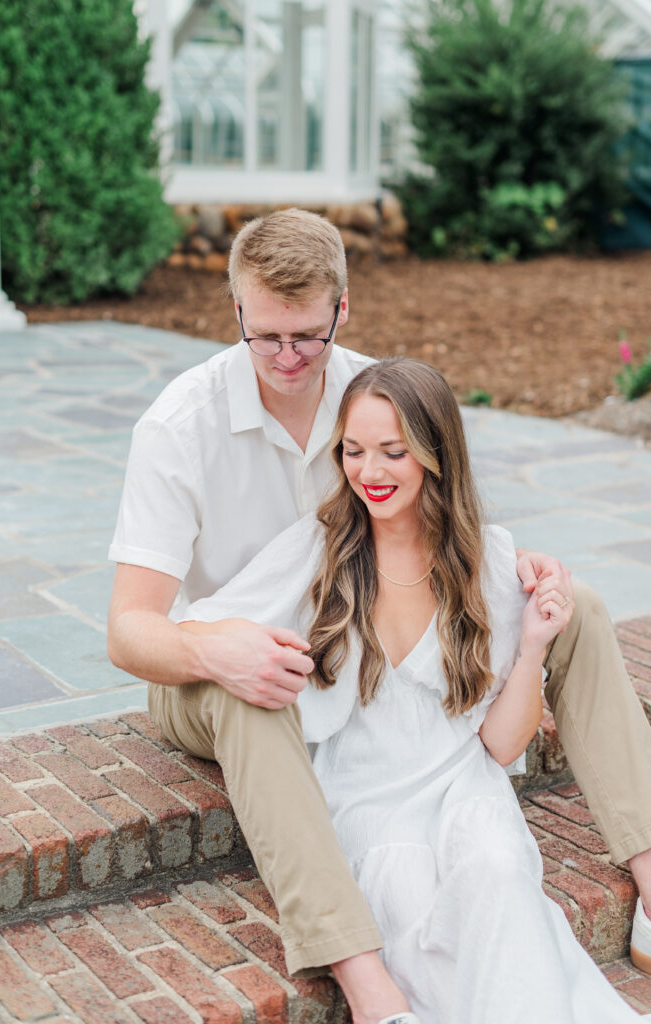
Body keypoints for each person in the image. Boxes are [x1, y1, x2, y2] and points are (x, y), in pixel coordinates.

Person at [107, 209, 651, 1009]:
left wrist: (509, 567)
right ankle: (366, 980)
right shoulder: (178, 428)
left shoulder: (370, 395)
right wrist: (215, 651)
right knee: (257, 687)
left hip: (343, 646)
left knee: (580, 605)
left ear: (341, 309)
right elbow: (129, 630)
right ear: (236, 314)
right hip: (201, 665)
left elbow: (430, 507)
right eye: (265, 337)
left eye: (307, 335)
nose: (287, 358)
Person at [178, 358, 647, 1023]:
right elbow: (198, 629)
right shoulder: (318, 551)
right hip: (368, 806)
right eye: (353, 451)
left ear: (434, 454)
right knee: (406, 896)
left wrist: (534, 646)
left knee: (496, 873)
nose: (369, 472)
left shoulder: (485, 561)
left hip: (466, 794)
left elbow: (501, 742)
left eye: (392, 452)